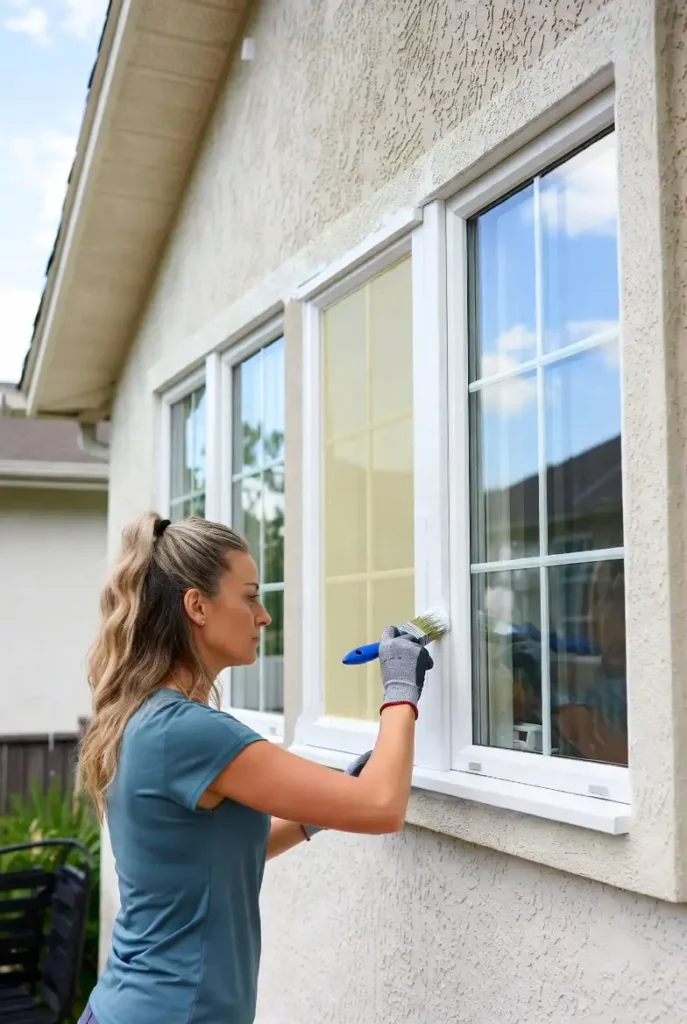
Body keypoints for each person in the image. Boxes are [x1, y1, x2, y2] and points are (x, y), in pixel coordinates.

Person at [77, 512, 433, 1024]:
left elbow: (213, 858)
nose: (264, 615)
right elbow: (383, 807)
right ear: (197, 606)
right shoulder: (189, 731)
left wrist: (321, 808)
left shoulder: (146, 716)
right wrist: (400, 690)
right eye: (249, 596)